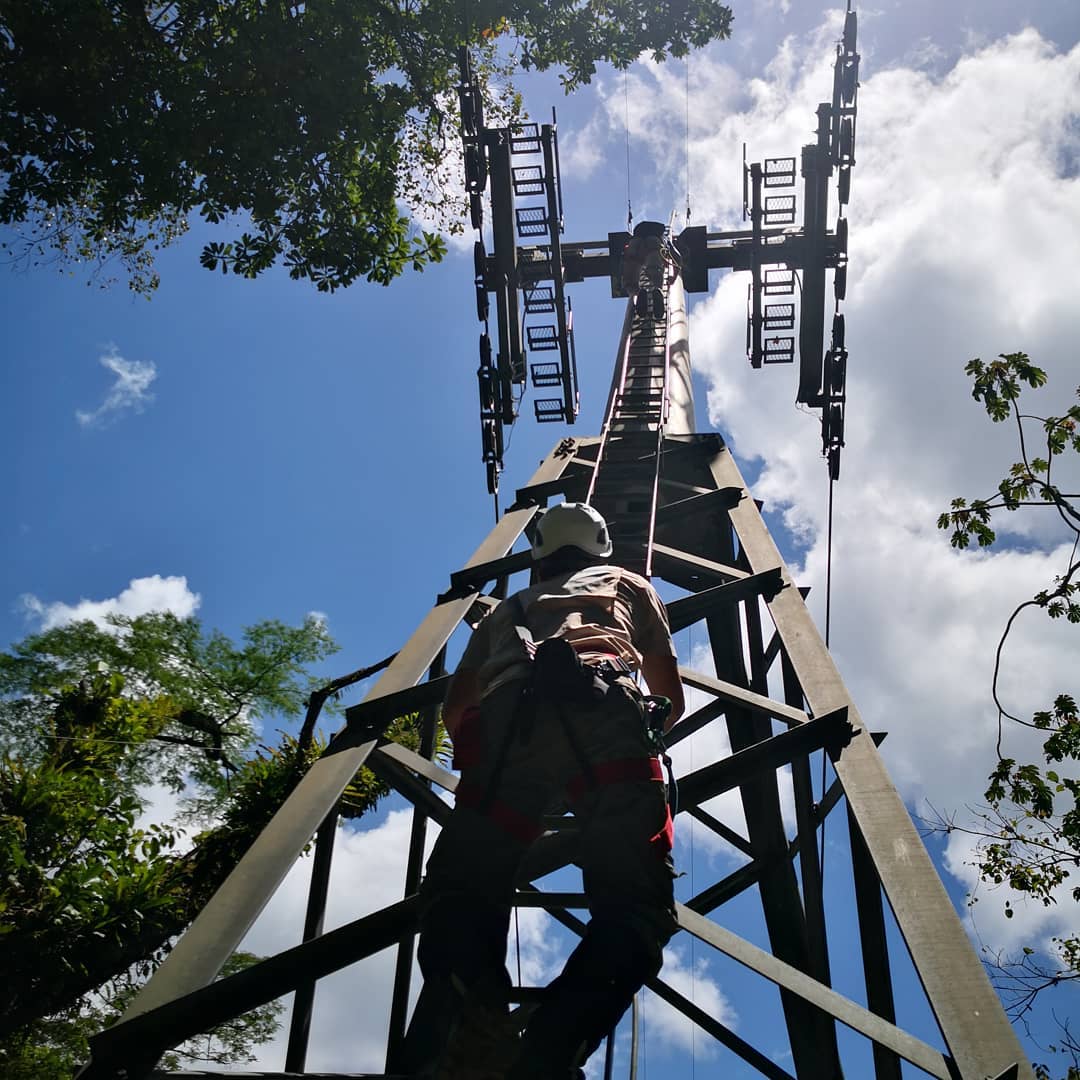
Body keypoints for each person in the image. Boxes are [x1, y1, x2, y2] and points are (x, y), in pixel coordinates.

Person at [399, 502, 685, 1079]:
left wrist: (492, 768)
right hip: (604, 707)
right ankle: (549, 1050)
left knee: (463, 887)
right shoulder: (630, 584)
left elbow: (459, 707)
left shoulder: (507, 609)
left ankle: (469, 1029)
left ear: (541, 555)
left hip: (509, 717)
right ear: (599, 548)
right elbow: (669, 693)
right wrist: (638, 747)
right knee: (636, 905)